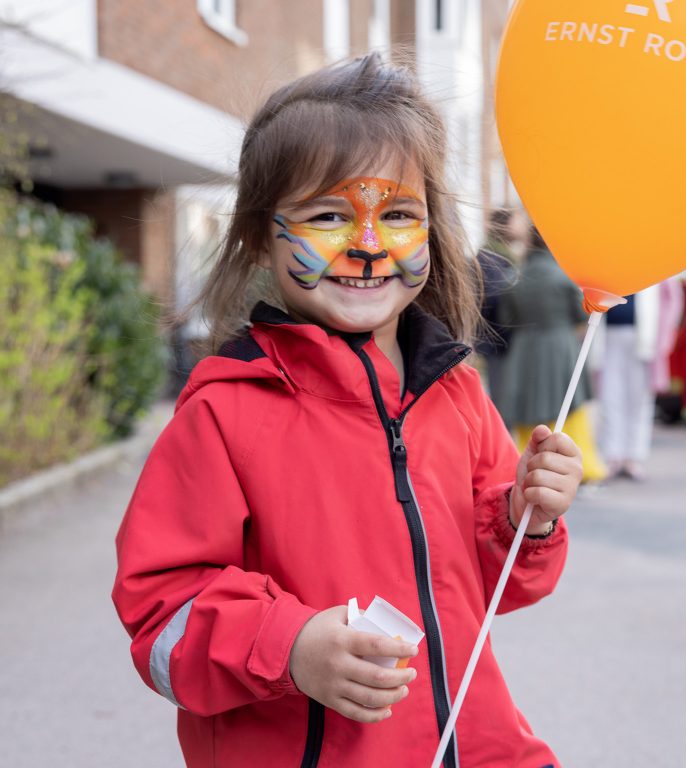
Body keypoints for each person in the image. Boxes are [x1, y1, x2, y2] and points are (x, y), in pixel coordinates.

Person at [111, 54, 582, 768]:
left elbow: (492, 587)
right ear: (257, 236)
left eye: (397, 215)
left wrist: (528, 519)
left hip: (475, 747)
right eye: (329, 216)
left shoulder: (455, 393)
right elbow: (162, 621)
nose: (367, 245)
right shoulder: (225, 411)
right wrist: (291, 648)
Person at [496, 226, 607, 483]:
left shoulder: (515, 277)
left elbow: (506, 319)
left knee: (528, 408)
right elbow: (583, 313)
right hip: (560, 346)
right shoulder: (563, 275)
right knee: (569, 406)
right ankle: (582, 467)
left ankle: (530, 465)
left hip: (524, 351)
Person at [595, 279, 683, 480]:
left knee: (639, 399)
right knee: (610, 397)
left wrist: (665, 338)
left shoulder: (659, 265)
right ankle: (613, 454)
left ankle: (634, 456)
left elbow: (673, 302)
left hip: (645, 338)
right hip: (608, 335)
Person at [475, 208, 523, 413]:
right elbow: (495, 298)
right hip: (499, 342)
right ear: (504, 226)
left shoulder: (501, 256)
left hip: (499, 340)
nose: (520, 227)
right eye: (515, 222)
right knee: (501, 400)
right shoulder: (492, 258)